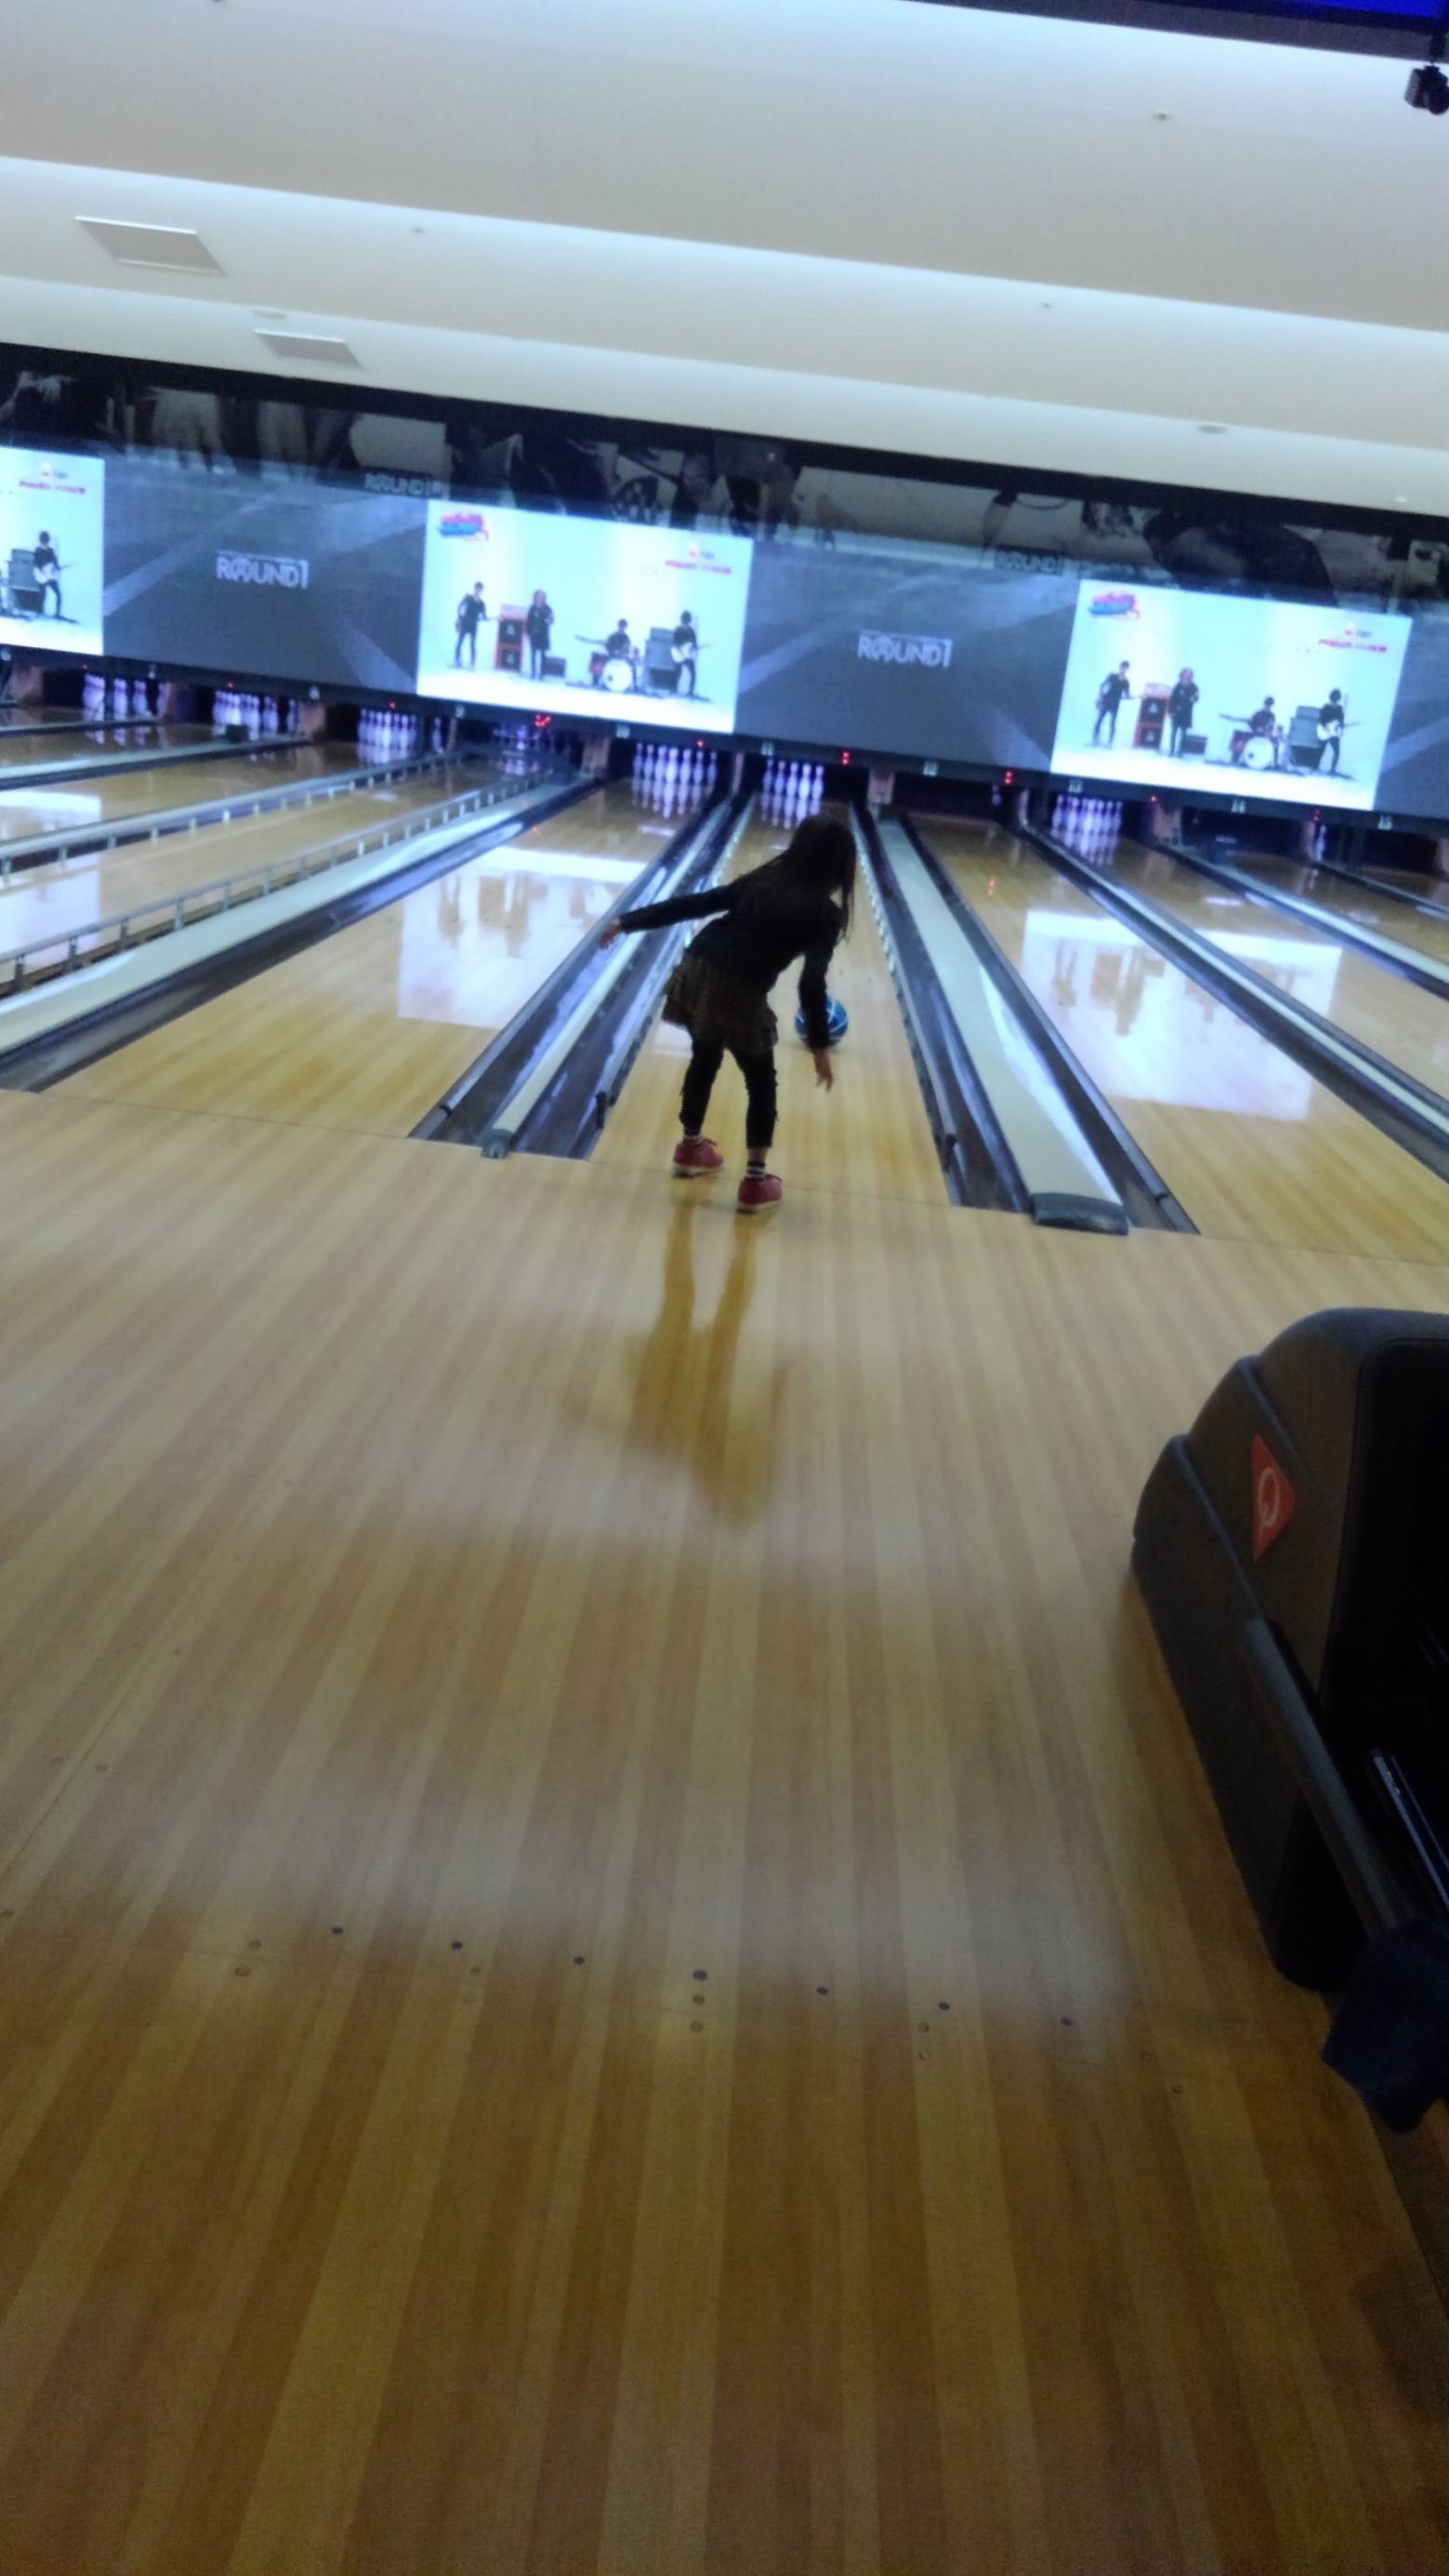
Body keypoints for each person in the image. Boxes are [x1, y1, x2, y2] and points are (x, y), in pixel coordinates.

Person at [600, 813, 853, 1210]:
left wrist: (626, 921)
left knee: (705, 1056)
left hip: (697, 965)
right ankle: (755, 1182)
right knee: (761, 1082)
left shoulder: (763, 881)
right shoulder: (826, 914)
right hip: (739, 985)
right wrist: (819, 1049)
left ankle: (691, 1148)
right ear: (839, 867)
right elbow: (810, 983)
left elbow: (698, 904)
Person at [1093, 663, 1130, 746]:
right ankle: (1095, 739)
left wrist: (1127, 697)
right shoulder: (1112, 676)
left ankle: (1110, 742)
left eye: (1125, 668)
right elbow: (1102, 685)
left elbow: (1127, 694)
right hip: (1106, 701)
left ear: (1127, 669)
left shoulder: (1126, 682)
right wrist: (1101, 695)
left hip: (1115, 704)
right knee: (1100, 719)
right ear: (1120, 667)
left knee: (1112, 723)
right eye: (1123, 667)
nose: (1123, 669)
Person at [1167, 667, 1198, 757]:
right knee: (1173, 733)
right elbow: (1172, 699)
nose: (1187, 676)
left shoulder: (1193, 687)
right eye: (1185, 674)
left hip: (1186, 714)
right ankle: (1171, 751)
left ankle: (1180, 752)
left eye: (1189, 675)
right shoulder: (1177, 686)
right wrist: (1170, 711)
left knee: (1183, 734)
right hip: (1176, 713)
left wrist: (1194, 698)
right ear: (1182, 675)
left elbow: (1196, 698)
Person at [454, 582, 486, 667]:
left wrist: (485, 617)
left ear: (481, 591)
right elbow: (459, 607)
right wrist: (459, 618)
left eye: (480, 590)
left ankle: (472, 663)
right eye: (477, 589)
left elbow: (483, 616)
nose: (478, 591)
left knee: (472, 645)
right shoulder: (468, 598)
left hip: (473, 626)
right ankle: (457, 661)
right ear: (474, 589)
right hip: (465, 624)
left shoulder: (482, 604)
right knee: (459, 643)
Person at [525, 588, 554, 680]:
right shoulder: (532, 608)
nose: (540, 598)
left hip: (543, 635)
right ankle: (533, 673)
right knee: (533, 654)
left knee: (543, 655)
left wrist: (550, 620)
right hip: (534, 634)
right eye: (539, 596)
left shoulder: (547, 608)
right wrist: (527, 633)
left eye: (542, 596)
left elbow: (552, 619)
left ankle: (542, 674)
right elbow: (528, 621)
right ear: (535, 597)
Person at [33, 531, 60, 619]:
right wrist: (42, 570)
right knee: (42, 595)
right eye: (43, 542)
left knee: (58, 594)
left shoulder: (51, 551)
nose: (45, 544)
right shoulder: (37, 551)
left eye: (46, 542)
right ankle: (40, 612)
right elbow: (36, 563)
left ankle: (57, 614)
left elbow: (55, 562)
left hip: (50, 577)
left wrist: (56, 567)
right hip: (41, 577)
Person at [1319, 687, 1347, 773]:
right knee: (1321, 751)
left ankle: (1332, 770)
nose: (1337, 699)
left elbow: (1341, 720)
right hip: (1325, 732)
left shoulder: (1339, 709)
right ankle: (1317, 767)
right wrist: (1325, 727)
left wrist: (1341, 726)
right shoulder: (1326, 707)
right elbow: (1321, 719)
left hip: (1334, 733)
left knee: (1336, 752)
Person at [672, 610, 699, 696]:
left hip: (687, 656)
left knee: (693, 673)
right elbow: (673, 642)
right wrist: (679, 649)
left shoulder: (691, 631)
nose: (685, 625)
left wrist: (695, 647)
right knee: (677, 673)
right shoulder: (677, 630)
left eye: (687, 623)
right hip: (678, 656)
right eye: (684, 623)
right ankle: (674, 689)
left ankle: (691, 692)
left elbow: (694, 644)